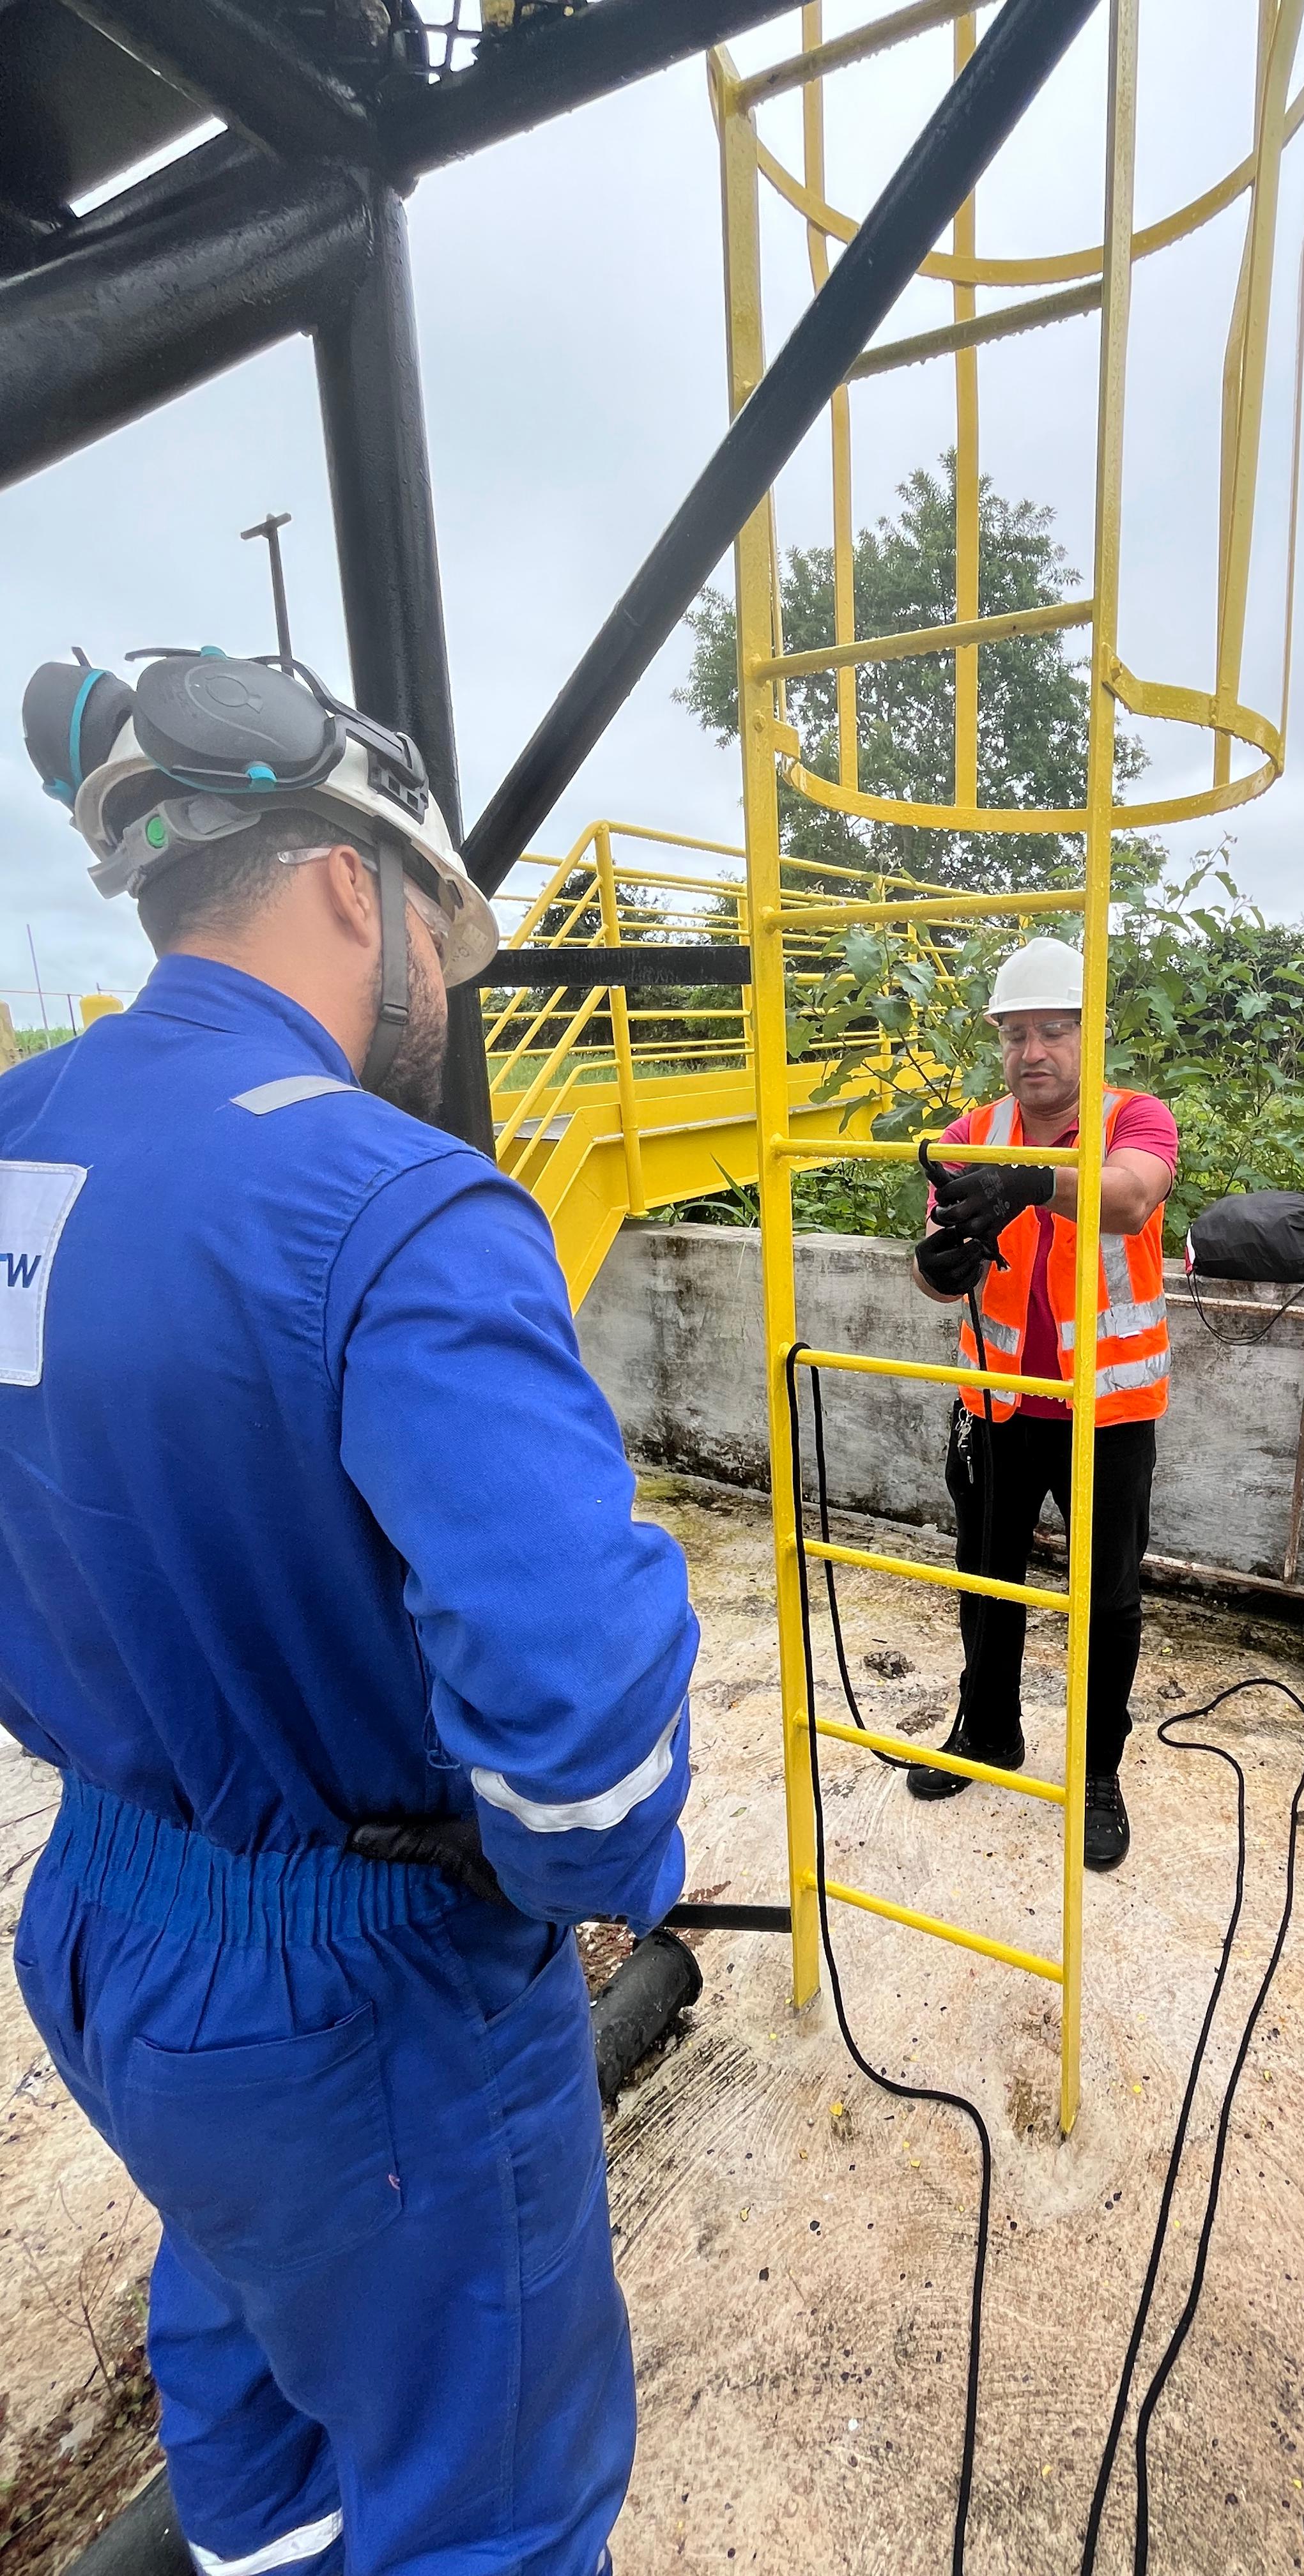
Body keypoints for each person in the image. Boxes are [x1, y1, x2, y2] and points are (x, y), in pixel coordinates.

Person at [2, 648, 699, 2575]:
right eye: (436, 935)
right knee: (494, 2504)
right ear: (345, 880)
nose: (432, 1001)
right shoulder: (395, 1204)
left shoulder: (14, 1144)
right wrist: (589, 1874)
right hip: (364, 1997)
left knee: (250, 2373)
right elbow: (583, 1722)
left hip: (106, 1940)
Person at [909, 936, 1176, 1871]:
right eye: (1017, 1033)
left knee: (1105, 1599)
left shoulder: (1135, 1118)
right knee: (986, 1578)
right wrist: (937, 1268)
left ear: (1088, 1035)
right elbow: (939, 1267)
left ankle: (1098, 1770)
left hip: (1105, 1414)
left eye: (1054, 1031)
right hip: (997, 1403)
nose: (1033, 1052)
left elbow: (1134, 1201)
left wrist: (1032, 1183)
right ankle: (987, 1730)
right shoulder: (972, 1127)